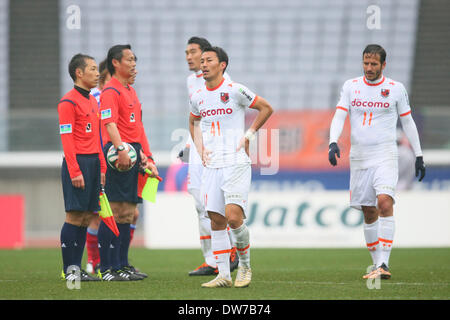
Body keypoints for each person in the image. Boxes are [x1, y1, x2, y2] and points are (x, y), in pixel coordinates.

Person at [328, 44, 426, 280]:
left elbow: (408, 122)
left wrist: (419, 154)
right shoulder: (351, 86)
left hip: (385, 154)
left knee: (384, 202)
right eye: (365, 63)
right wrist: (333, 142)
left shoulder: (395, 89)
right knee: (369, 211)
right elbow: (340, 115)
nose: (369, 68)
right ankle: (376, 265)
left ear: (383, 65)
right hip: (359, 157)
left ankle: (384, 263)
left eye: (374, 64)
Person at [189, 46, 273, 288]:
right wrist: (200, 146)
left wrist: (249, 135)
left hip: (235, 161)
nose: (203, 64)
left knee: (233, 218)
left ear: (222, 64)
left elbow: (266, 108)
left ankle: (245, 266)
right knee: (216, 219)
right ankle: (224, 275)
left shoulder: (235, 90)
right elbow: (193, 120)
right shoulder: (198, 96)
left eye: (208, 60)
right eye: (201, 60)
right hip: (212, 164)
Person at [98, 44, 158, 281]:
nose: (134, 64)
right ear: (115, 62)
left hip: (133, 153)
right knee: (114, 210)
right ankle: (106, 268)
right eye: (130, 59)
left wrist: (144, 154)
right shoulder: (110, 91)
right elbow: (109, 124)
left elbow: (136, 127)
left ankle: (121, 265)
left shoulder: (130, 91)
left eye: (135, 60)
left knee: (128, 212)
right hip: (117, 154)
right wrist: (122, 149)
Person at [182, 37, 238, 276]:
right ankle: (212, 260)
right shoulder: (190, 81)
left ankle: (229, 251)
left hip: (216, 149)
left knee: (212, 203)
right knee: (199, 203)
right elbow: (195, 117)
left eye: (193, 52)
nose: (189, 57)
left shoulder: (227, 85)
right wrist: (188, 144)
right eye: (187, 52)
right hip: (196, 147)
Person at [58, 53, 105, 281]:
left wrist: (103, 166)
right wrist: (75, 170)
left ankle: (78, 270)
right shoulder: (67, 102)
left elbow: (97, 136)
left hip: (94, 162)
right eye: (93, 69)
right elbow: (67, 140)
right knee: (74, 216)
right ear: (79, 72)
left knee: (87, 217)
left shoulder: (93, 100)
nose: (97, 74)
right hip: (77, 163)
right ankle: (71, 272)